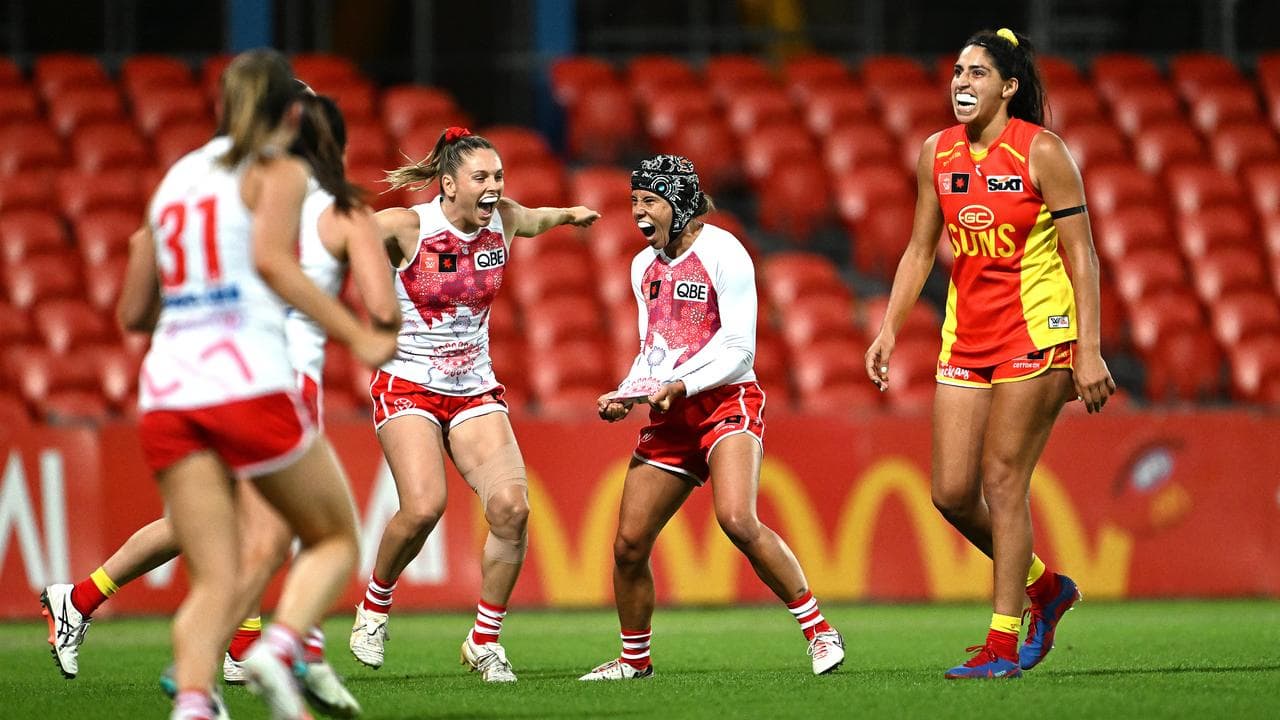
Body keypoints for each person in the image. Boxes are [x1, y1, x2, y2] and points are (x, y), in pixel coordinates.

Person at [40, 93, 394, 719]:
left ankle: (92, 606)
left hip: (190, 383)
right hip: (264, 382)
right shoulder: (305, 198)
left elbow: (142, 262)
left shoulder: (213, 179)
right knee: (299, 535)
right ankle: (257, 652)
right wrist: (361, 329)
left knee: (216, 532)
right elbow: (313, 282)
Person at [864, 28, 1116, 680]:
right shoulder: (936, 154)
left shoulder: (1043, 152)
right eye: (957, 72)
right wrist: (889, 328)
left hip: (1038, 333)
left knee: (1004, 482)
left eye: (978, 73)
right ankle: (1045, 589)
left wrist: (1087, 351)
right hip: (966, 337)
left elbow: (1082, 255)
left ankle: (1002, 644)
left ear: (1008, 87)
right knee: (950, 493)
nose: (962, 83)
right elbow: (922, 249)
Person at [579, 154, 845, 681]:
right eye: (634, 201)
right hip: (672, 411)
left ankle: (820, 631)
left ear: (678, 205)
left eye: (649, 201)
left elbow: (741, 351)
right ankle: (635, 662)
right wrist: (627, 393)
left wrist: (682, 384)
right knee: (629, 545)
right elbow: (654, 352)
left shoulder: (725, 252)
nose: (638, 213)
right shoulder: (642, 267)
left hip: (726, 401)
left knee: (737, 519)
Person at [348, 127, 599, 682]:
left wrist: (569, 214)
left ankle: (484, 641)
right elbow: (340, 234)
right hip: (408, 384)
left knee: (512, 509)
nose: (495, 187)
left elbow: (533, 219)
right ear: (448, 184)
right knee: (423, 508)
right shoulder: (407, 227)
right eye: (482, 177)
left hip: (473, 388)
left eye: (499, 176)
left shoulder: (503, 219)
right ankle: (374, 606)